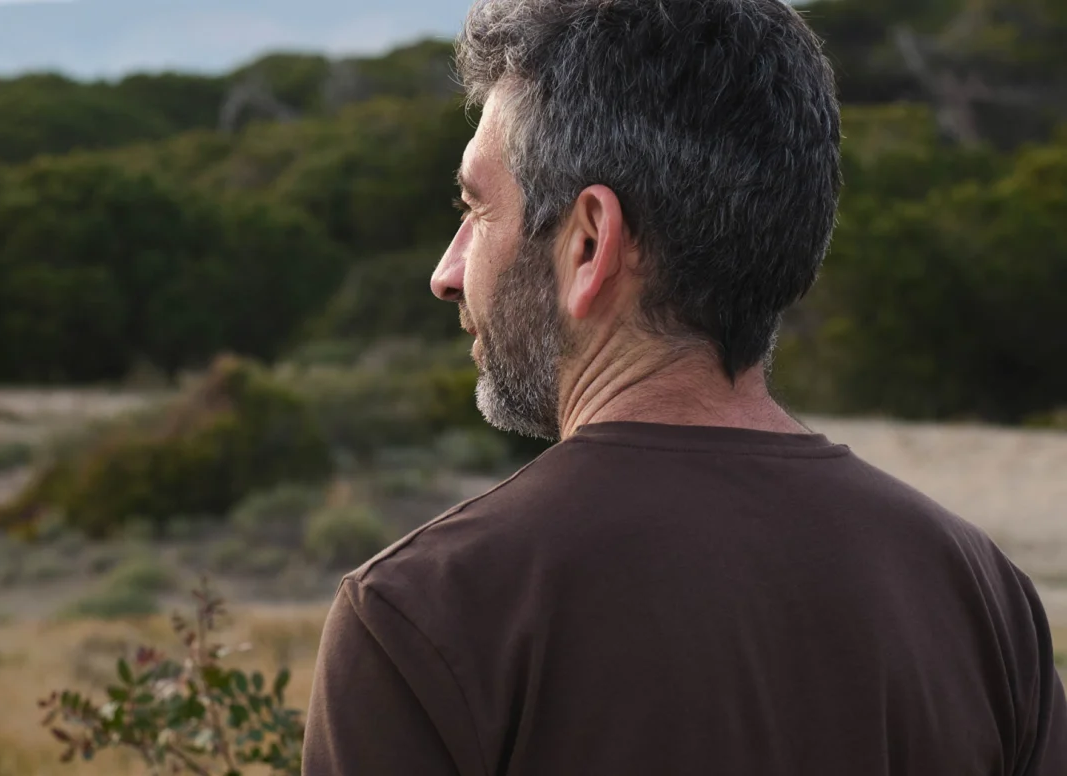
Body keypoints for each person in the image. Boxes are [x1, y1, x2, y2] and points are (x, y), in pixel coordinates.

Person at [301, 0, 1067, 773]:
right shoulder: (982, 599)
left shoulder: (425, 617)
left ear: (589, 244)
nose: (448, 271)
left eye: (476, 208)